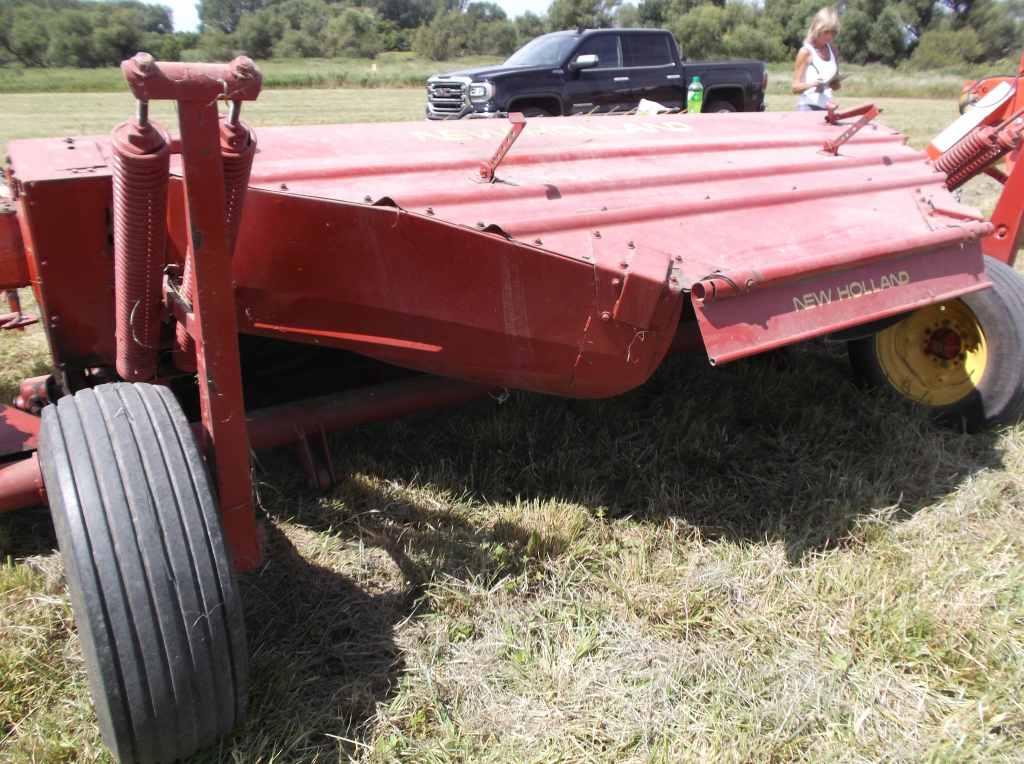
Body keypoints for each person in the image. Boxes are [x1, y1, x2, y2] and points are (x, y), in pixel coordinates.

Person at [792, 8, 841, 111]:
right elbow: (795, 87)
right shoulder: (805, 52)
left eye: (833, 32)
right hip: (807, 107)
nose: (829, 36)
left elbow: (836, 87)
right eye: (826, 31)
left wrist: (835, 84)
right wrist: (813, 84)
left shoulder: (834, 51)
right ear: (817, 29)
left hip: (828, 107)